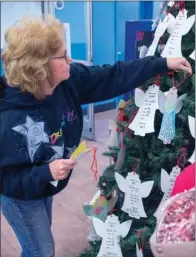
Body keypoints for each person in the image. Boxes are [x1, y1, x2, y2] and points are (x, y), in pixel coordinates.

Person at [0, 16, 192, 257]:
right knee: (41, 249)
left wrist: (161, 63)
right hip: (19, 194)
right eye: (62, 55)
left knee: (39, 234)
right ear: (39, 66)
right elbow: (5, 179)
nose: (70, 59)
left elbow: (113, 75)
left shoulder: (67, 82)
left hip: (42, 185)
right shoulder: (8, 120)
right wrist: (45, 173)